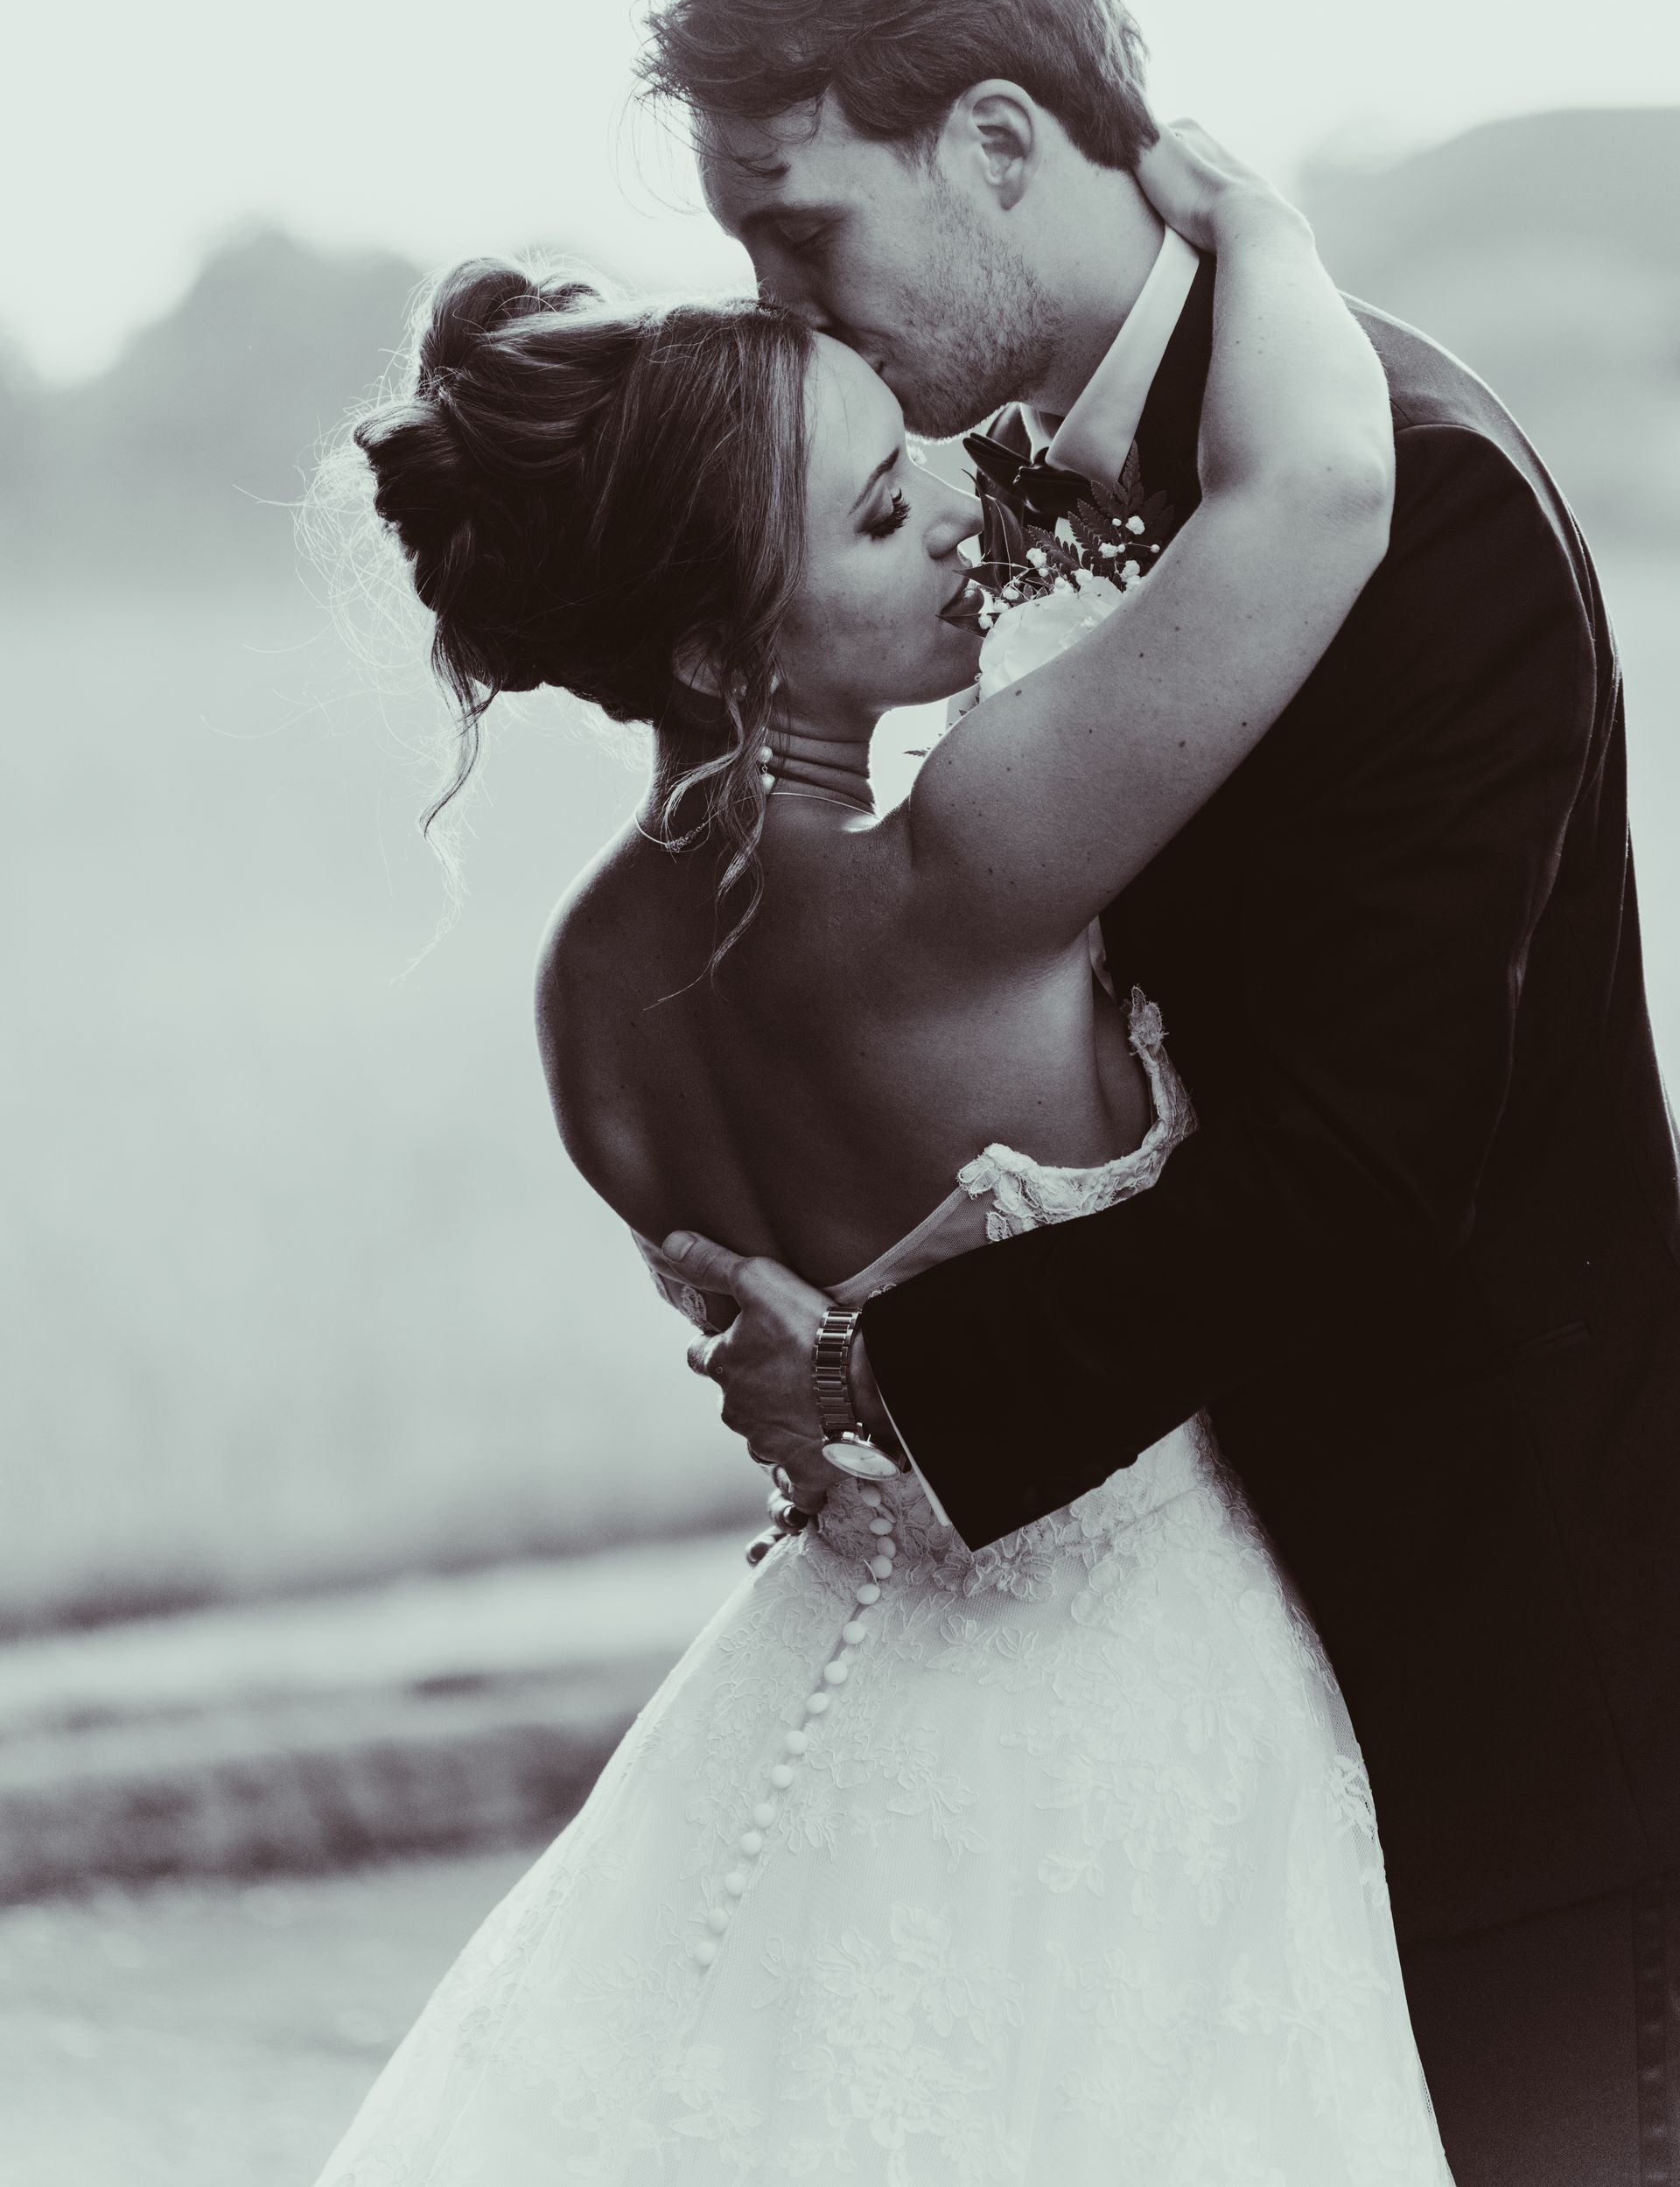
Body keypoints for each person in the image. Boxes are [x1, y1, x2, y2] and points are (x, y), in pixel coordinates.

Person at [648, 0, 1680, 2187]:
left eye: (800, 230)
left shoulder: (1413, 512)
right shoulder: (991, 499)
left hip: (1509, 1672)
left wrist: (917, 1379)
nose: (785, 312)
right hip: (1225, 1656)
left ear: (1000, 142)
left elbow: (1382, 1151)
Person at [309, 120, 1461, 2182]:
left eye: (907, 444)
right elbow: (1321, 493)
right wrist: (1247, 215)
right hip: (1141, 1681)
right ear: (714, 648)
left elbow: (791, 1348)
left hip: (825, 1681)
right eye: (874, 507)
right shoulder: (966, 854)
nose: (955, 495)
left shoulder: (584, 991)